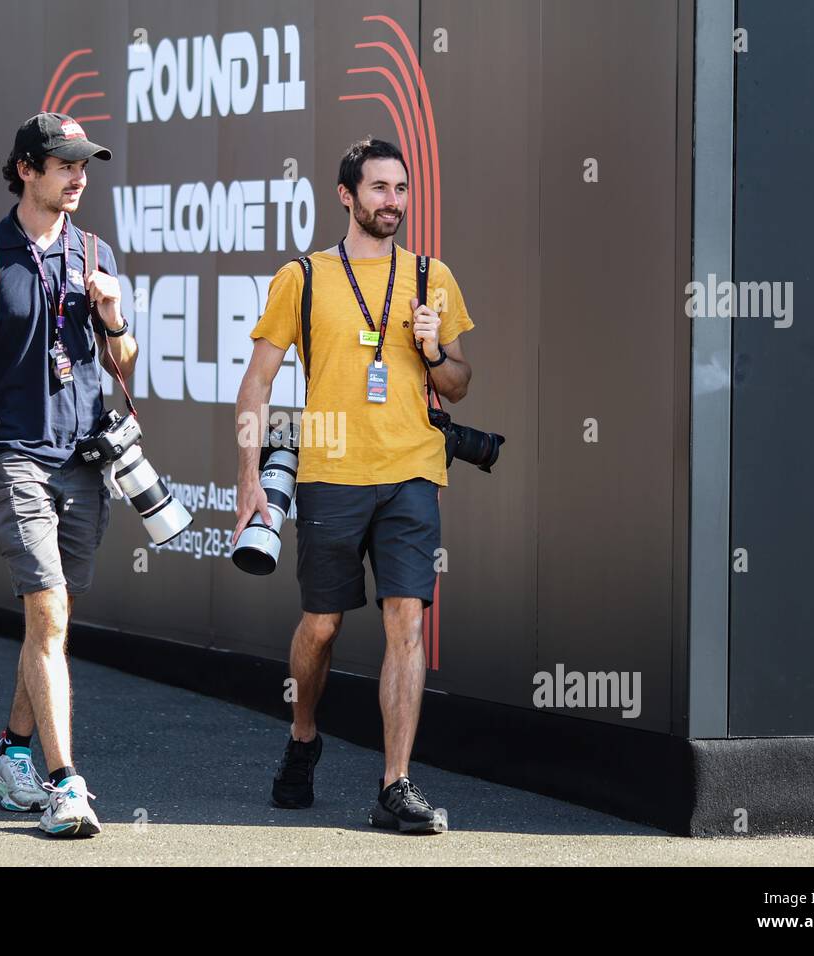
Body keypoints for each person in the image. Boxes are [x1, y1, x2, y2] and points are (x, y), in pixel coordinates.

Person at [232, 137, 475, 833]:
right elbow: (257, 381)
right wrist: (250, 477)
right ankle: (304, 735)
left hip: (412, 472)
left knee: (407, 619)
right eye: (378, 189)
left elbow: (458, 384)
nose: (393, 201)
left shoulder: (434, 277)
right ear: (346, 196)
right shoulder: (302, 278)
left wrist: (433, 349)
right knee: (323, 624)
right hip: (330, 471)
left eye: (401, 189)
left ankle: (395, 784)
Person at [0, 112, 137, 837]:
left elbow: (124, 362)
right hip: (14, 460)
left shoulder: (97, 252)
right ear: (25, 169)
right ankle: (65, 782)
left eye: (85, 165)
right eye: (64, 164)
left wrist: (112, 318)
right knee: (47, 615)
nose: (79, 177)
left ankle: (10, 751)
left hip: (84, 463)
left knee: (56, 619)